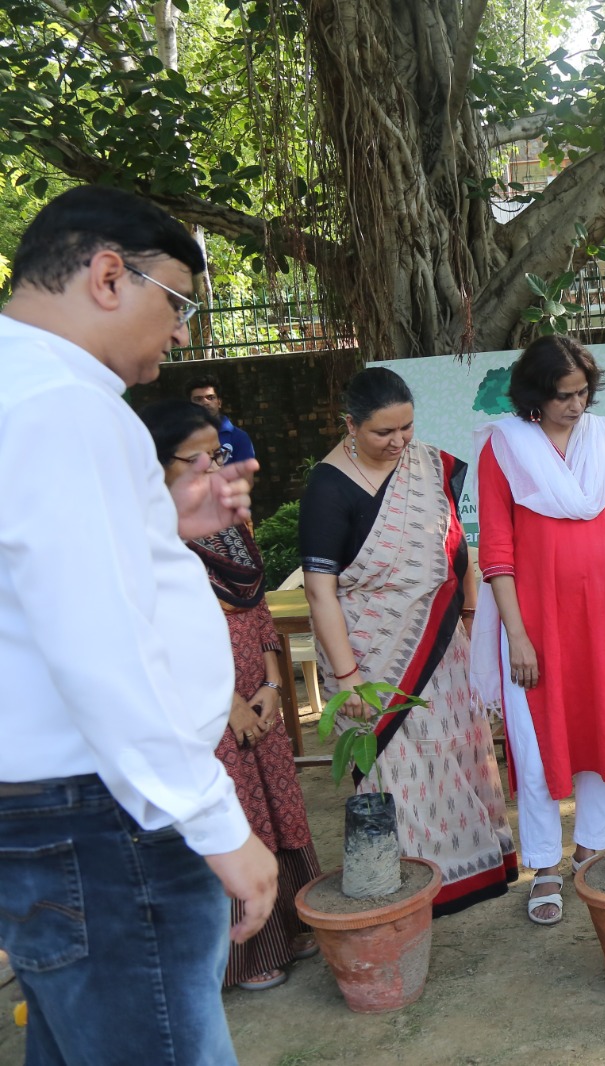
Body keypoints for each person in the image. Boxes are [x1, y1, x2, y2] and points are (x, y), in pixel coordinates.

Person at [0, 186, 277, 1066]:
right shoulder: (63, 404)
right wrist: (215, 821)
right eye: (180, 302)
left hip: (57, 811)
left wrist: (166, 527)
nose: (183, 333)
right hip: (108, 820)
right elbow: (99, 647)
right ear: (110, 276)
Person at [300, 366, 516, 917]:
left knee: (455, 747)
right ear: (350, 426)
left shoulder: (426, 466)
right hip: (369, 652)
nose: (399, 443)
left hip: (442, 640)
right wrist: (348, 677)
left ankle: (476, 865)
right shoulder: (328, 488)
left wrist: (469, 612)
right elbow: (321, 593)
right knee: (394, 764)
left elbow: (456, 548)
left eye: (407, 429)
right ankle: (417, 881)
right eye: (383, 433)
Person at [139, 398, 322, 990]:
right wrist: (229, 704)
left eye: (214, 454)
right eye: (193, 458)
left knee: (277, 801)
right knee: (235, 809)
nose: (210, 468)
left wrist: (271, 685)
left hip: (256, 690)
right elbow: (153, 639)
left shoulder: (228, 520)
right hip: (201, 705)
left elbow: (257, 607)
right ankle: (247, 953)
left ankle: (291, 925)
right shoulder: (143, 537)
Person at [471, 336, 605, 924]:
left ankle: (594, 849)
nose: (577, 405)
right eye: (564, 397)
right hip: (535, 620)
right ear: (535, 398)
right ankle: (545, 864)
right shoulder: (503, 447)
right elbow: (495, 549)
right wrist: (517, 636)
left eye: (583, 393)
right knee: (535, 734)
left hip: (603, 615)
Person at [189, 375, 256, 468]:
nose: (205, 402)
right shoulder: (181, 439)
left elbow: (246, 479)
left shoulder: (239, 437)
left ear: (219, 402)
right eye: (198, 399)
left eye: (210, 397)